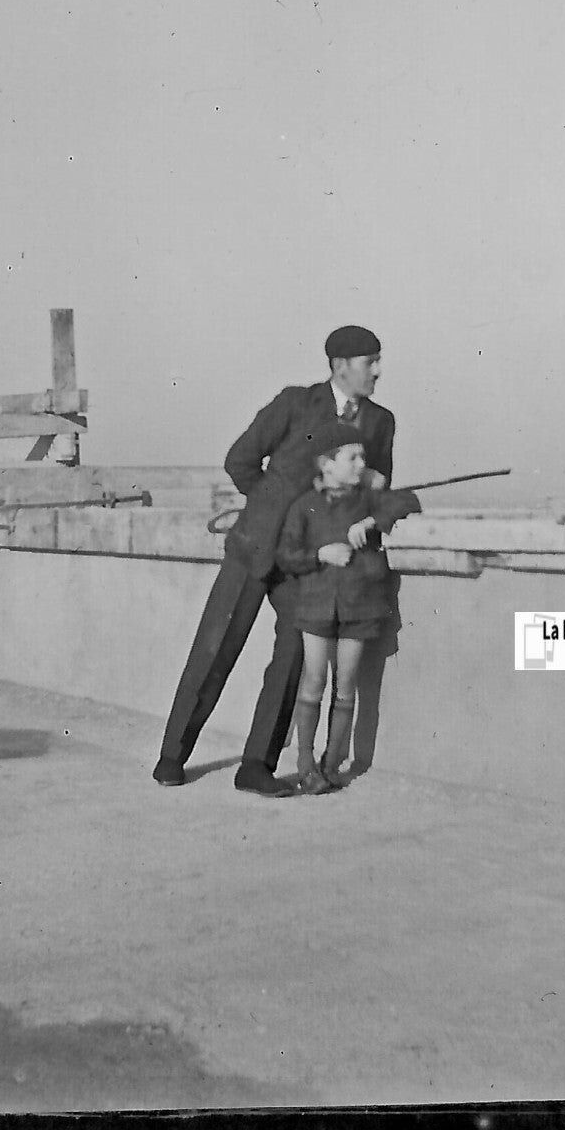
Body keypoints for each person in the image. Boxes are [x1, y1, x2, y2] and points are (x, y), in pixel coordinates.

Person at [152, 325, 396, 797]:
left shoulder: (381, 423)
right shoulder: (293, 403)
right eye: (371, 362)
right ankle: (172, 757)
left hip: (308, 564)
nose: (379, 372)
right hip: (255, 548)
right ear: (341, 366)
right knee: (216, 649)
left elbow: (376, 491)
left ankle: (256, 768)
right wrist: (271, 510)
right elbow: (239, 461)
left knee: (292, 660)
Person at [275, 422, 421, 793]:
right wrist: (320, 553)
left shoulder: (367, 498)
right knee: (314, 681)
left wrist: (373, 519)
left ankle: (332, 763)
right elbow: (286, 555)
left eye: (363, 457)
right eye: (351, 457)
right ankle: (305, 764)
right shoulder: (304, 506)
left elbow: (408, 501)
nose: (360, 464)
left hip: (360, 605)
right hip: (316, 605)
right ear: (326, 464)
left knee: (347, 686)